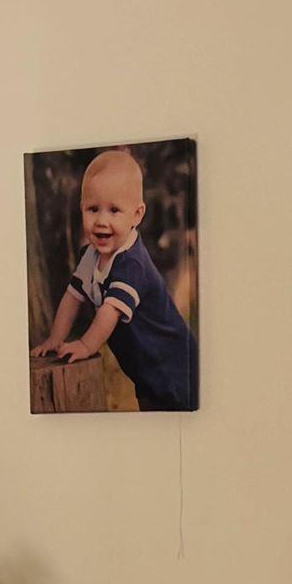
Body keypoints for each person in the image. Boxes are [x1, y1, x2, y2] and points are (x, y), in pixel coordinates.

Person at [32, 148, 199, 411]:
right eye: (93, 209)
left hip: (175, 365)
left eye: (114, 210)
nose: (101, 221)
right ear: (81, 208)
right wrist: (56, 337)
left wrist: (87, 344)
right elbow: (72, 296)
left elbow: (109, 312)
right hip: (146, 369)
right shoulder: (91, 255)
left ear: (137, 215)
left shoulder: (131, 263)